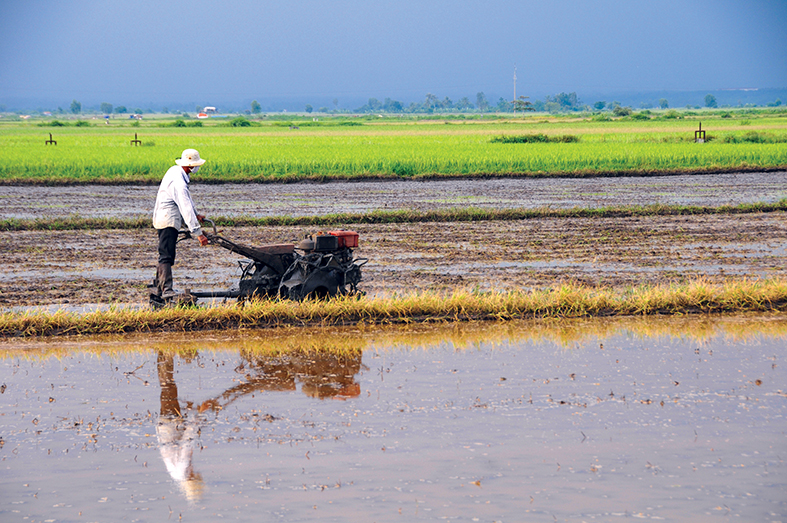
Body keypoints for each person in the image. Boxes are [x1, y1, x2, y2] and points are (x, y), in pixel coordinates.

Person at [152, 149, 209, 298]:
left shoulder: (175, 171)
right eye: (195, 165)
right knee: (166, 255)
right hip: (168, 219)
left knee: (165, 252)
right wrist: (198, 233)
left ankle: (159, 287)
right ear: (190, 166)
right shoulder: (179, 182)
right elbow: (185, 206)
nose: (196, 168)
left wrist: (196, 214)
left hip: (165, 217)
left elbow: (187, 202)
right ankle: (166, 290)